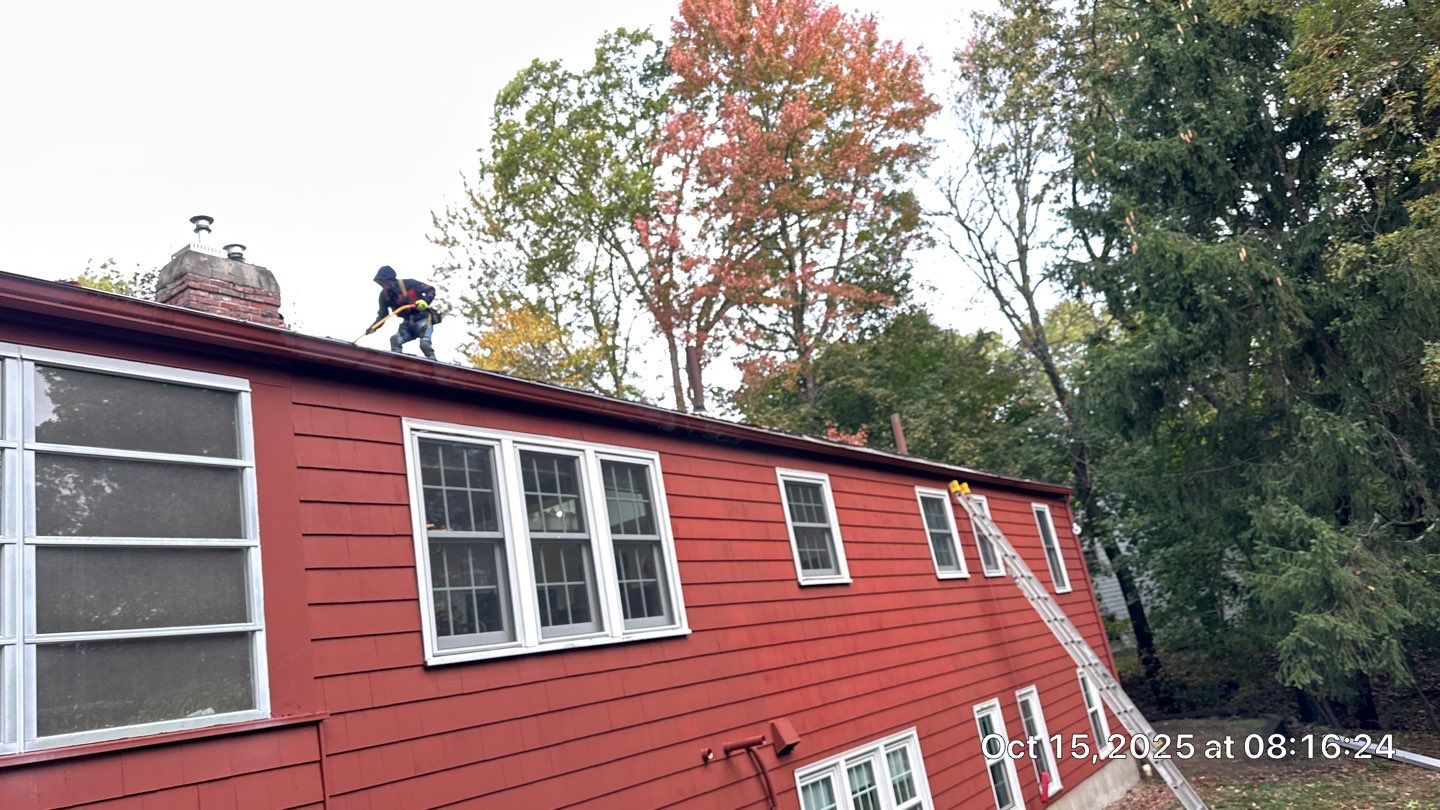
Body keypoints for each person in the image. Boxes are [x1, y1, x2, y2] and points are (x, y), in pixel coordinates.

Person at [372, 266, 439, 359]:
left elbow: (431, 290)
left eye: (383, 283)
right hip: (407, 324)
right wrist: (373, 327)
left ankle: (433, 364)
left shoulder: (409, 283)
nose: (382, 285)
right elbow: (383, 315)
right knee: (395, 340)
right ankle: (397, 362)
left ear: (389, 280)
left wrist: (425, 301)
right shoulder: (384, 296)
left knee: (424, 344)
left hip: (423, 320)